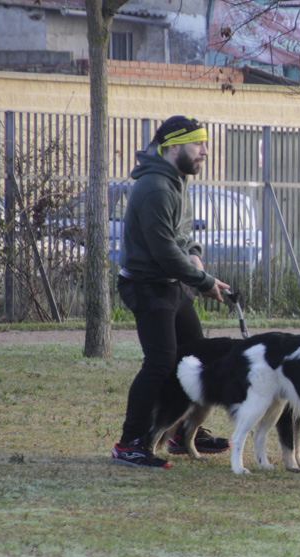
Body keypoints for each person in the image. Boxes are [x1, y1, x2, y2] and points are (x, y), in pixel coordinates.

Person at [111, 115, 231, 469]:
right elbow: (163, 250)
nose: (205, 152)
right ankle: (130, 442)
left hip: (172, 284)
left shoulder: (177, 180)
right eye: (199, 145)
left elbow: (183, 236)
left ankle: (181, 432)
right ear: (173, 147)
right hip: (148, 286)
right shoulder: (155, 188)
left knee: (194, 357)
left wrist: (195, 256)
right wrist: (205, 282)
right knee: (161, 363)